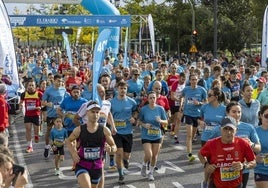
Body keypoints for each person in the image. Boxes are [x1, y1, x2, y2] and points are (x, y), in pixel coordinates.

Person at [73, 84, 117, 188]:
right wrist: (83, 131)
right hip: (85, 140)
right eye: (100, 92)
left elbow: (108, 114)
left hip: (101, 140)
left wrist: (113, 126)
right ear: (94, 93)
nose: (102, 94)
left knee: (100, 165)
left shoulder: (107, 104)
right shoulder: (86, 105)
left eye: (103, 92)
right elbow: (75, 119)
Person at [209, 101, 261, 188]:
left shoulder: (249, 127)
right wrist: (209, 165)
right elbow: (207, 148)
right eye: (234, 112)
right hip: (220, 172)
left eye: (239, 112)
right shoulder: (219, 129)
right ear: (227, 113)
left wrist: (251, 144)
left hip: (242, 171)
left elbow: (258, 148)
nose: (237, 115)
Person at [198, 116, 256, 188]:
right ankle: (205, 184)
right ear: (220, 129)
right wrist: (206, 165)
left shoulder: (243, 143)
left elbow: (253, 162)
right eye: (225, 129)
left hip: (236, 185)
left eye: (231, 129)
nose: (228, 132)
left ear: (236, 130)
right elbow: (200, 154)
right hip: (216, 185)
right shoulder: (211, 144)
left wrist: (244, 166)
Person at [110, 81, 137, 184]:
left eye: (124, 89)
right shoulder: (112, 102)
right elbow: (109, 114)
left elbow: (136, 111)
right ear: (117, 89)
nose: (122, 90)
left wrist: (134, 118)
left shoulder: (131, 102)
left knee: (126, 155)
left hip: (128, 131)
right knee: (119, 154)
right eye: (121, 88)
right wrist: (112, 126)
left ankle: (126, 161)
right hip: (116, 132)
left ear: (126, 90)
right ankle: (121, 174)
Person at [139, 91, 168, 181]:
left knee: (155, 156)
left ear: (156, 99)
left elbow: (166, 122)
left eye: (154, 98)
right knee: (149, 154)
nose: (152, 99)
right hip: (146, 135)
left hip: (157, 135)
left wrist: (160, 121)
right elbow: (139, 121)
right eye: (150, 98)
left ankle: (151, 173)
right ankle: (144, 165)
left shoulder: (160, 109)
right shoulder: (144, 109)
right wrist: (144, 125)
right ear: (147, 99)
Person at [180, 73, 208, 162]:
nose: (194, 81)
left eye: (195, 79)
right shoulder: (186, 89)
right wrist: (181, 105)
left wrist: (199, 103)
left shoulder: (202, 90)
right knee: (188, 135)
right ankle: (189, 154)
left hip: (197, 115)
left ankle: (189, 148)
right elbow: (181, 96)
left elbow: (206, 103)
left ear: (197, 80)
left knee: (192, 136)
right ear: (190, 81)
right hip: (188, 114)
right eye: (192, 80)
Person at [42, 74, 67, 159]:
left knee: (60, 131)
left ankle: (58, 147)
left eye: (61, 81)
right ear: (54, 81)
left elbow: (66, 100)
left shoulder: (63, 90)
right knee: (49, 131)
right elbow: (43, 102)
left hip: (59, 114)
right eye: (58, 81)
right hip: (51, 114)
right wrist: (48, 103)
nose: (60, 82)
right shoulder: (48, 90)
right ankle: (47, 146)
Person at [19, 79, 43, 153]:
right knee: (28, 130)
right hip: (28, 115)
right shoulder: (23, 94)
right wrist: (20, 106)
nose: (31, 87)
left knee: (36, 132)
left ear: (35, 86)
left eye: (33, 85)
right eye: (30, 85)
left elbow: (43, 103)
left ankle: (36, 135)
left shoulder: (39, 94)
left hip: (36, 115)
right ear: (27, 86)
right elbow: (21, 103)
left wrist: (40, 107)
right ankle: (29, 146)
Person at [254, 105, 268, 188]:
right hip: (261, 171)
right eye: (267, 116)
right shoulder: (255, 131)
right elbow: (247, 151)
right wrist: (254, 157)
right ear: (260, 116)